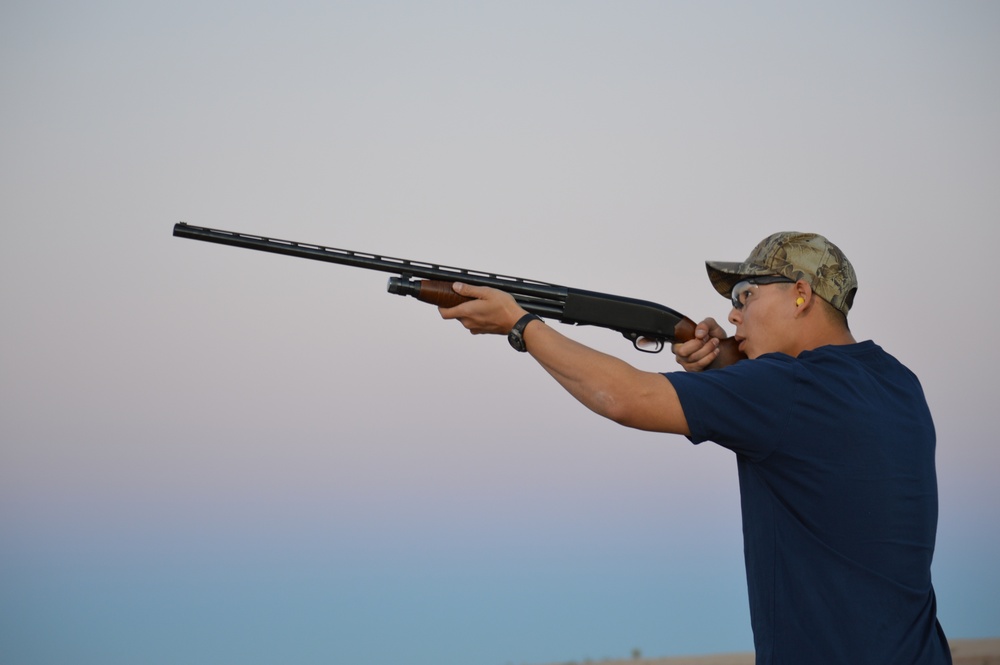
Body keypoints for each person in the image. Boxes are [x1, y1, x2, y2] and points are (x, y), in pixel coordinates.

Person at [438, 232, 951, 664]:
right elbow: (815, 426)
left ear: (800, 294)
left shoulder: (783, 390)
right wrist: (725, 368)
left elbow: (623, 398)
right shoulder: (898, 382)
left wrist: (522, 325)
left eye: (746, 295)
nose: (732, 317)